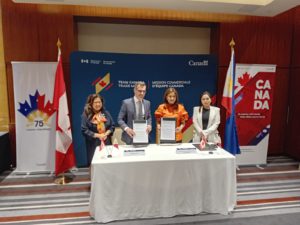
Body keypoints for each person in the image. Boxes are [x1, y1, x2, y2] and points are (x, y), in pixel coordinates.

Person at [81, 94, 115, 165]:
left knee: (107, 163)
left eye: (99, 102)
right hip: (93, 144)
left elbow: (112, 126)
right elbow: (84, 130)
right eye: (95, 102)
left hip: (107, 142)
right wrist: (98, 135)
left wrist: (106, 133)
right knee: (95, 164)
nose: (98, 104)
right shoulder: (86, 115)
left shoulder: (106, 113)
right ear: (91, 103)